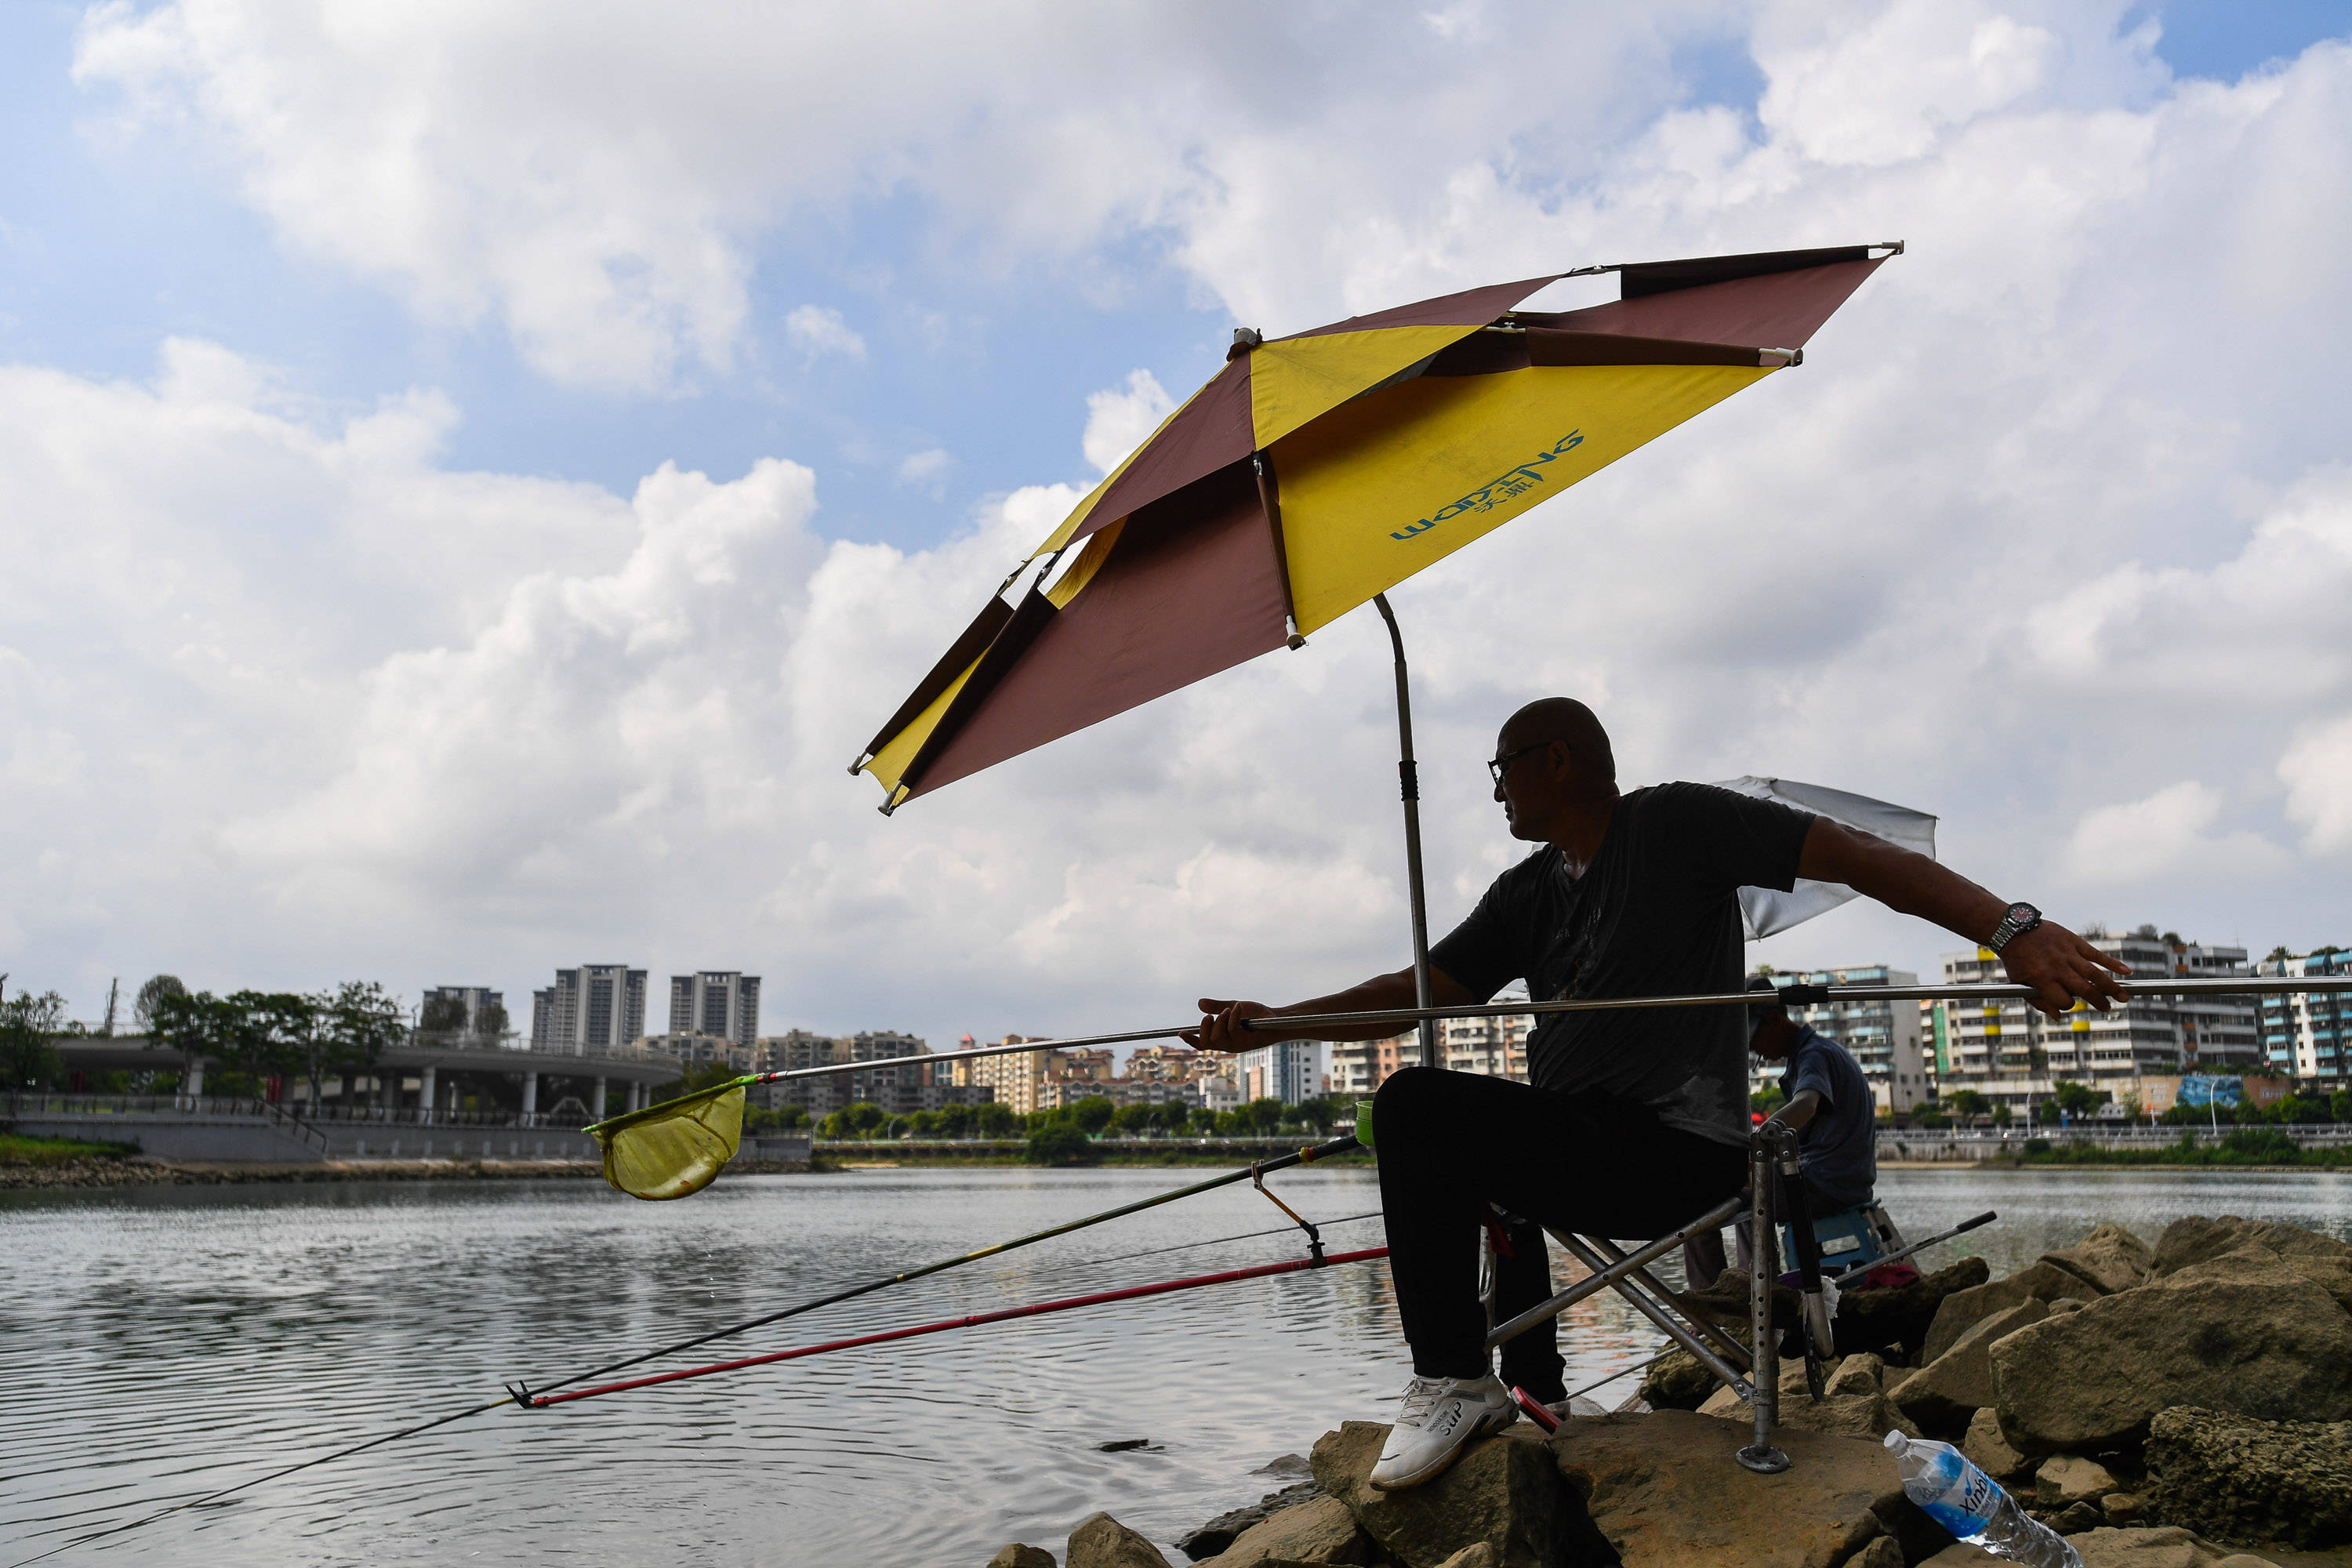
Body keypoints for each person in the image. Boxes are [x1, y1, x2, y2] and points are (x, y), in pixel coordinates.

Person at [1187, 697, 2129, 1491]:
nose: (1498, 792)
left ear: (1557, 760)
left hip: (1679, 1152)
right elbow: (1419, 991)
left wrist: (2011, 930)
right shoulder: (1525, 893)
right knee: (1443, 1130)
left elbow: (1857, 855)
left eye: (1503, 770)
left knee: (1413, 1106)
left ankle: (1450, 1378)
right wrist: (1273, 1023)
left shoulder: (1678, 822)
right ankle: (1519, 1386)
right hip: (1579, 1147)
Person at [1682, 978, 1879, 1291]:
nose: (1755, 1049)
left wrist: (1758, 1142)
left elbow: (1806, 1104)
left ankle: (1744, 1292)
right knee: (1740, 1184)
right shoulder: (1819, 1052)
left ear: (1775, 1019)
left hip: (1829, 1183)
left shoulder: (1814, 1054)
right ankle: (1748, 1286)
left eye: (1754, 1039)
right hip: (1842, 1180)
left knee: (1706, 1197)